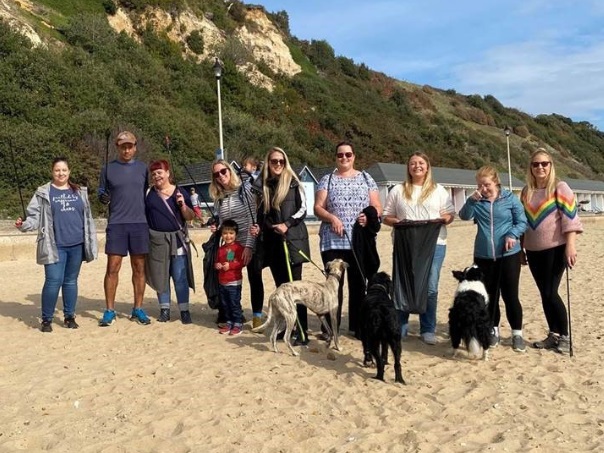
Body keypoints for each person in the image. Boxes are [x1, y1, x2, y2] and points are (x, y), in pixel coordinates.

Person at [15, 157, 98, 332]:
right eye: (57, 170)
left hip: (77, 245)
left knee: (70, 281)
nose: (61, 173)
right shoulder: (44, 192)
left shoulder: (79, 192)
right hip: (54, 245)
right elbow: (34, 217)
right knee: (53, 281)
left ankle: (69, 316)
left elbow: (87, 218)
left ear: (69, 172)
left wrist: (90, 241)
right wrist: (24, 225)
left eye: (64, 170)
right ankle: (46, 319)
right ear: (52, 172)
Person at [382, 152, 455, 345]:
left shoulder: (438, 190)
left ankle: (428, 328)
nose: (417, 166)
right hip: (405, 245)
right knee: (404, 284)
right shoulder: (398, 190)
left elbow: (449, 214)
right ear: (408, 167)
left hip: (434, 244)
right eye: (412, 163)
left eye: (421, 163)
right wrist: (397, 222)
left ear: (427, 166)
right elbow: (386, 216)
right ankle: (401, 326)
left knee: (429, 286)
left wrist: (442, 220)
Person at [314, 141, 382, 340]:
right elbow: (318, 207)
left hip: (358, 240)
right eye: (340, 155)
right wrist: (332, 218)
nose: (344, 158)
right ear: (335, 157)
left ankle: (358, 327)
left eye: (348, 154)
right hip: (332, 242)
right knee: (333, 286)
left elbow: (377, 206)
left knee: (358, 284)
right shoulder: (326, 179)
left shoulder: (367, 178)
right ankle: (330, 328)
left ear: (354, 156)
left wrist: (368, 216)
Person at [459, 165, 528, 352]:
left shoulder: (510, 199)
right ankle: (493, 330)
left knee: (510, 295)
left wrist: (512, 235)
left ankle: (517, 334)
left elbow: (522, 221)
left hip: (508, 255)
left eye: (487, 184)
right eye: (480, 185)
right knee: (490, 296)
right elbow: (464, 216)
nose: (484, 189)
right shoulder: (476, 201)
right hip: (483, 256)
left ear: (496, 182)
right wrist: (472, 201)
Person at [520, 148, 583, 354]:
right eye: (536, 164)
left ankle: (564, 336)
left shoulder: (560, 187)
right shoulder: (525, 191)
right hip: (533, 250)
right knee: (544, 294)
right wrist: (521, 248)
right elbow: (522, 223)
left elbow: (570, 218)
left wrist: (570, 246)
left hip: (556, 249)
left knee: (551, 292)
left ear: (551, 166)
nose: (540, 167)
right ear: (530, 167)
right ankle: (553, 334)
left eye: (544, 164)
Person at [251, 147, 310, 345]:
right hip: (273, 243)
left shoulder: (294, 183)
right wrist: (266, 227)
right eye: (274, 161)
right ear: (268, 163)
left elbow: (303, 210)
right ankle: (286, 326)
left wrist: (287, 224)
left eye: (281, 161)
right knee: (281, 289)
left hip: (292, 241)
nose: (277, 165)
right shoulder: (263, 187)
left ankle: (302, 331)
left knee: (296, 288)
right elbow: (262, 215)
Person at [98, 130, 150, 326]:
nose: (127, 149)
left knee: (139, 268)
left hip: (139, 223)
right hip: (116, 224)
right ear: (117, 147)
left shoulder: (144, 168)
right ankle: (109, 310)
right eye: (123, 146)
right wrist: (102, 197)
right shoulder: (107, 169)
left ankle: (138, 308)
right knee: (112, 268)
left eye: (130, 146)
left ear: (135, 147)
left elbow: (146, 191)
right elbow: (101, 191)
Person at [145, 160, 196, 324]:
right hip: (157, 241)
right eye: (153, 174)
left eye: (159, 172)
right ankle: (164, 310)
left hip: (178, 240)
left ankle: (184, 311)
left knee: (180, 276)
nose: (156, 176)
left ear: (167, 173)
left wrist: (182, 206)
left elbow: (190, 216)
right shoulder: (149, 193)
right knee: (161, 276)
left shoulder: (180, 192)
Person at [208, 159, 258, 326]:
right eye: (216, 174)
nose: (221, 176)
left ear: (230, 171)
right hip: (230, 245)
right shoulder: (219, 198)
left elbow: (253, 218)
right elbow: (223, 221)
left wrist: (249, 246)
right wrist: (216, 227)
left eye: (223, 171)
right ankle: (231, 312)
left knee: (253, 277)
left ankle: (256, 315)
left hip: (247, 241)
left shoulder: (244, 190)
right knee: (228, 276)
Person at [215, 219, 245, 336]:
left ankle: (237, 323)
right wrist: (217, 265)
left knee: (234, 304)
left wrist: (230, 265)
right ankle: (229, 322)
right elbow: (217, 261)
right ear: (222, 234)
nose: (228, 236)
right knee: (225, 304)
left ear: (236, 234)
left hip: (234, 282)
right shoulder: (221, 249)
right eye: (225, 233)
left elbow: (241, 262)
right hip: (222, 282)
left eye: (231, 233)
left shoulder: (238, 247)